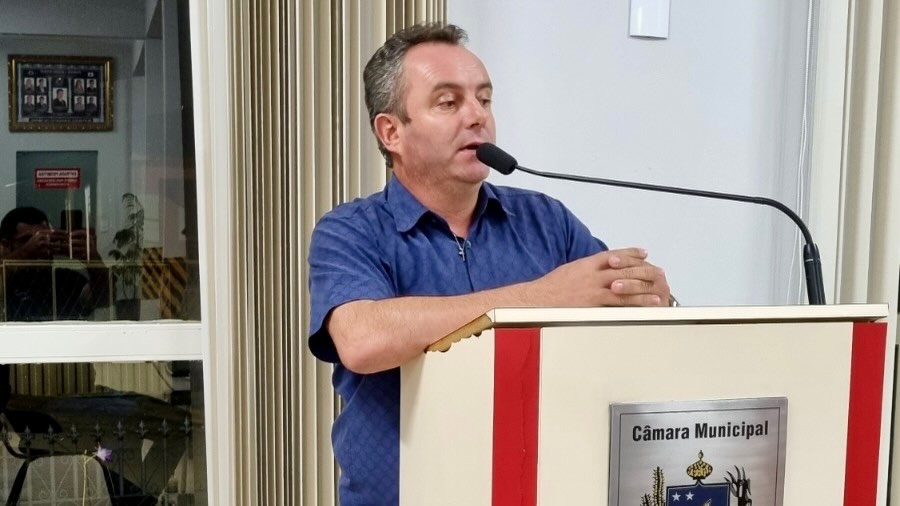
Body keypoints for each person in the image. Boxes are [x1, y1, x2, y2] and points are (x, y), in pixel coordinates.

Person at [307, 23, 671, 505]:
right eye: (448, 102)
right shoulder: (351, 231)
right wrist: (542, 297)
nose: (478, 116)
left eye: (484, 99)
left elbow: (623, 325)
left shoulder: (546, 221)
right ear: (391, 131)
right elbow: (362, 339)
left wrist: (652, 298)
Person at [0, 207, 108, 321]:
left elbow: (104, 300)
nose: (39, 245)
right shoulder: (8, 280)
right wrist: (25, 253)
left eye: (44, 238)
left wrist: (93, 259)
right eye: (27, 240)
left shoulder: (65, 280)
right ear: (5, 245)